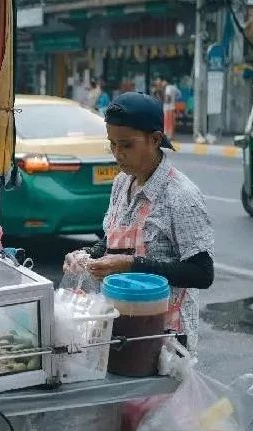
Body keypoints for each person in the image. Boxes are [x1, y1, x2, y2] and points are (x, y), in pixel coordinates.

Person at [63, 92, 214, 349]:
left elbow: (202, 273)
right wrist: (88, 254)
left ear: (155, 139)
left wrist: (131, 264)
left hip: (166, 334)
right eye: (112, 144)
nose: (117, 154)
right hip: (122, 323)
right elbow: (112, 240)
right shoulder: (122, 182)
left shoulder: (181, 195)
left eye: (127, 145)